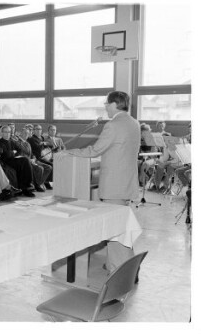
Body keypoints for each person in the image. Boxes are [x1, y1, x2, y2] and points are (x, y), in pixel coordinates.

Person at [58, 91, 140, 272]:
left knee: (116, 231)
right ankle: (127, 266)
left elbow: (95, 150)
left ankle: (120, 270)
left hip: (114, 185)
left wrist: (70, 152)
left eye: (106, 104)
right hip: (126, 182)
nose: (105, 107)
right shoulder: (134, 122)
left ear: (113, 104)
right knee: (123, 228)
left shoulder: (113, 125)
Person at [0, 126, 35, 197]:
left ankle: (26, 186)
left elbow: (19, 150)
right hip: (5, 162)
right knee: (24, 161)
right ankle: (25, 187)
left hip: (14, 159)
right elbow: (5, 155)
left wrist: (12, 153)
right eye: (5, 132)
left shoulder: (11, 141)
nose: (7, 134)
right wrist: (13, 152)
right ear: (2, 133)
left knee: (25, 160)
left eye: (9, 132)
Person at [16, 127, 52, 192]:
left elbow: (32, 153)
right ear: (21, 133)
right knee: (40, 168)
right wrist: (30, 160)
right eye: (24, 133)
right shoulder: (18, 142)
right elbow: (20, 154)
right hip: (25, 162)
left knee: (48, 167)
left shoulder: (27, 143)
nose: (26, 135)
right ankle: (38, 185)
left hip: (33, 160)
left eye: (27, 133)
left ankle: (38, 183)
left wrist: (33, 158)